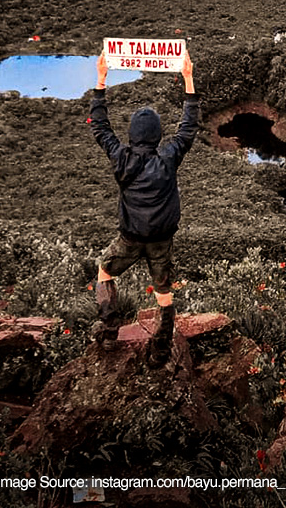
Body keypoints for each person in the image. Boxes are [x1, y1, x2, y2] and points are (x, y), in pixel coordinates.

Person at [89, 49, 200, 368]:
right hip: (161, 240)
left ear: (134, 135)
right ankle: (162, 349)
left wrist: (101, 79)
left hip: (130, 238)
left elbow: (100, 128)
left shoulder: (121, 158)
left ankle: (110, 331)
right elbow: (188, 128)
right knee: (164, 294)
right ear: (156, 136)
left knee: (104, 271)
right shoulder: (168, 158)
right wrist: (188, 79)